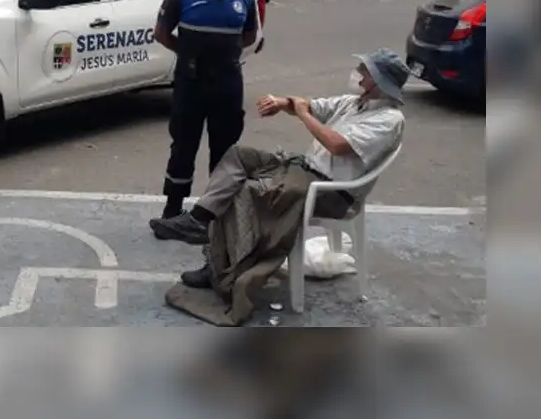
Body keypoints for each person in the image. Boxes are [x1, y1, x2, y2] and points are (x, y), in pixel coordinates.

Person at [152, 49, 409, 323]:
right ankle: (199, 220)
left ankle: (220, 268)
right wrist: (282, 103)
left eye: (365, 71)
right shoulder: (353, 103)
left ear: (379, 82)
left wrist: (302, 115)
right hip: (305, 170)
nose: (359, 74)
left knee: (248, 191)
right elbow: (308, 105)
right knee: (239, 156)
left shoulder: (388, 120)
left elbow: (336, 145)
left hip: (332, 191)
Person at [153, 0, 260, 224]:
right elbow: (161, 33)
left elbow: (249, 35)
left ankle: (215, 214)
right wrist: (187, 53)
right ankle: (173, 210)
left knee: (225, 152)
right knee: (183, 147)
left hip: (227, 84)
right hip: (191, 84)